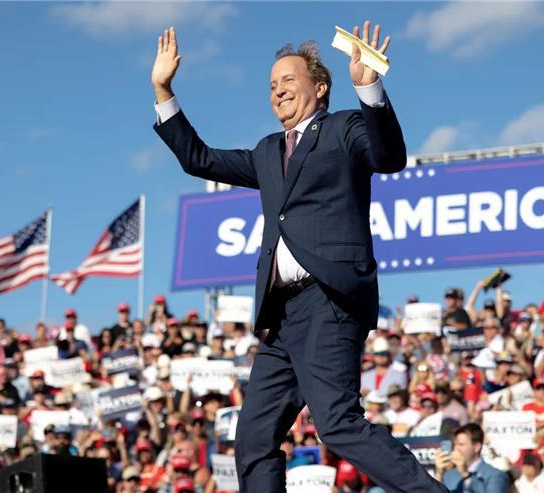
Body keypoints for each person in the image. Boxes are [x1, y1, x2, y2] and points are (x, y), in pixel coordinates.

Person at [151, 21, 446, 492]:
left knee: (337, 423)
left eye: (289, 79)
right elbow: (198, 159)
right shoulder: (267, 151)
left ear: (320, 87)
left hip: (329, 299)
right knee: (252, 436)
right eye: (272, 85)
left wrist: (368, 86)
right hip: (279, 317)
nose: (278, 90)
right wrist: (164, 89)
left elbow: (389, 156)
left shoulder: (344, 127)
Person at [434, 423, 509, 493]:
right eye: (455, 445)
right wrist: (439, 473)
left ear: (477, 447)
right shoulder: (449, 476)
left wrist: (465, 474)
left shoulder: (495, 476)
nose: (456, 448)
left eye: (461, 444)